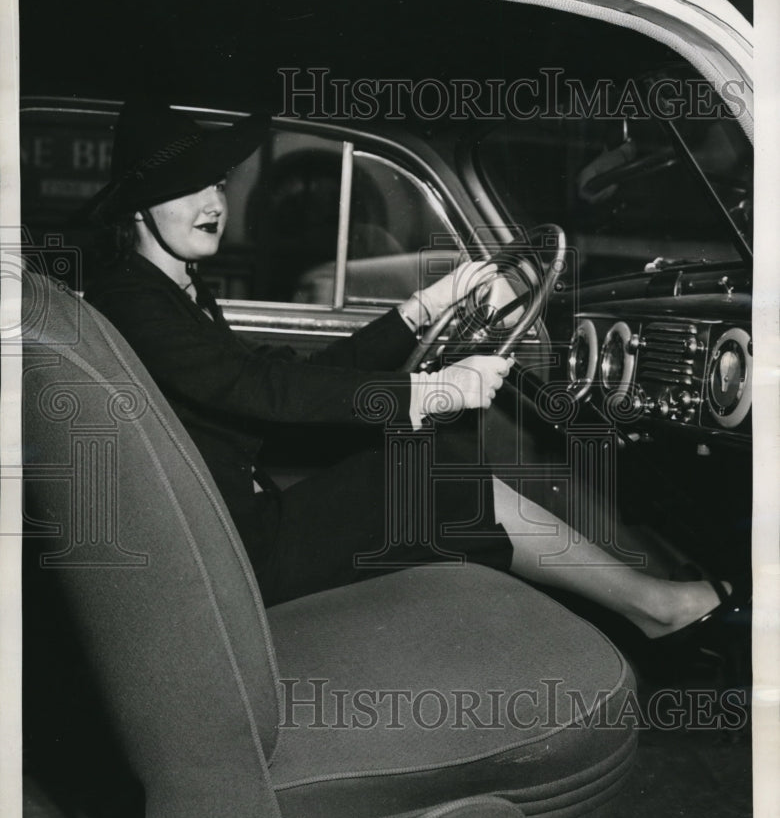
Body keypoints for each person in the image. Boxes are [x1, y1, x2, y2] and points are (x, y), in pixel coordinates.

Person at [81, 100, 735, 642]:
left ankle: (645, 601)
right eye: (186, 187)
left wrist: (423, 309)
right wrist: (431, 389)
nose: (213, 201)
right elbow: (259, 389)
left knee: (424, 458)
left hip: (228, 521)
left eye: (218, 181)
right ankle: (656, 606)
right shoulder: (131, 300)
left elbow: (286, 375)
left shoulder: (172, 287)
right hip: (227, 554)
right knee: (429, 472)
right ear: (138, 207)